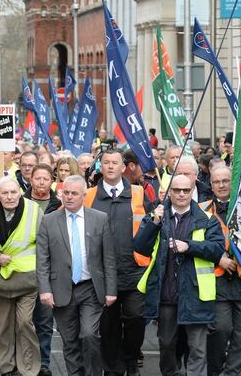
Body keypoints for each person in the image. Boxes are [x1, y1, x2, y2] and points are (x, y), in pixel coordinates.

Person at [133, 174, 224, 376]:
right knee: (166, 345)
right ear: (169, 192)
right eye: (176, 190)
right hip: (167, 294)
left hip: (196, 294)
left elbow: (218, 249)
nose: (181, 194)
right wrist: (154, 223)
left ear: (193, 191)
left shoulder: (206, 218)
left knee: (197, 349)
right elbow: (140, 246)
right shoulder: (157, 215)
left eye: (186, 190)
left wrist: (189, 246)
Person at [36, 175, 117, 376]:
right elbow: (42, 258)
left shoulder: (99, 218)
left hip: (90, 287)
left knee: (90, 334)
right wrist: (45, 290)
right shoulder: (48, 220)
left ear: (83, 195)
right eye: (66, 193)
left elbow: (108, 257)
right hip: (61, 288)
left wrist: (111, 290)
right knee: (69, 340)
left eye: (74, 193)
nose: (69, 197)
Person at [83, 149, 149, 376]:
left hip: (134, 269)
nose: (110, 166)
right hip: (101, 273)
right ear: (100, 167)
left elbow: (154, 226)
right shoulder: (89, 195)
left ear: (124, 167)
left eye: (115, 163)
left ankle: (131, 358)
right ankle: (113, 367)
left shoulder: (139, 194)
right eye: (106, 163)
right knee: (108, 324)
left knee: (136, 317)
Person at [204, 166, 241, 376]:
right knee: (219, 330)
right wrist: (218, 258)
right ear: (210, 185)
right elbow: (193, 243)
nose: (221, 185)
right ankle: (214, 371)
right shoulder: (203, 210)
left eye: (226, 180)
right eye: (217, 181)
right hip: (218, 285)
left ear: (234, 182)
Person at [0, 177, 41, 376]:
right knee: (2, 327)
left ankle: (28, 369)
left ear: (20, 192)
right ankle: (6, 368)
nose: (10, 197)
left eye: (13, 192)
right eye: (5, 193)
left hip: (27, 279)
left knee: (25, 322)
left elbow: (43, 244)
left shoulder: (34, 210)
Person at [23, 163, 61, 375]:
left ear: (51, 181)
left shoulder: (60, 204)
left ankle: (44, 362)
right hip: (25, 269)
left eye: (46, 179)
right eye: (37, 178)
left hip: (50, 270)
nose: (41, 182)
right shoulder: (20, 202)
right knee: (24, 321)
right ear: (31, 179)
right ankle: (27, 360)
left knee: (45, 320)